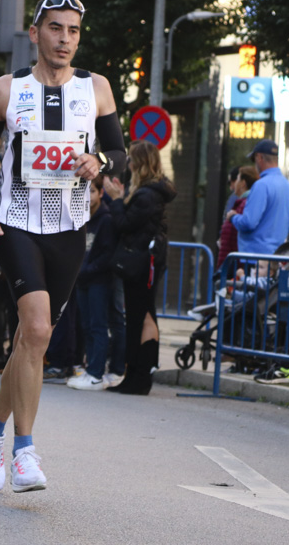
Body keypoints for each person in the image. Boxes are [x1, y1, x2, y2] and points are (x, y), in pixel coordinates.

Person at [0, 0, 126, 493]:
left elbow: (119, 151)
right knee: (34, 326)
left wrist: (100, 163)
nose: (65, 39)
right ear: (35, 34)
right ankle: (24, 451)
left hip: (69, 227)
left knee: (34, 341)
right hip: (16, 224)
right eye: (56, 28)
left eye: (73, 30)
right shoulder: (5, 90)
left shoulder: (96, 88)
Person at [105, 140, 176, 395]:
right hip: (148, 261)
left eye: (132, 160)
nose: (129, 165)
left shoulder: (147, 195)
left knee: (141, 317)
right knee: (142, 316)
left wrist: (115, 199)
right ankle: (136, 374)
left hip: (143, 263)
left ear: (141, 164)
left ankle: (139, 376)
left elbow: (124, 224)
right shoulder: (150, 192)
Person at [67, 175, 119, 390]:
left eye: (92, 191)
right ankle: (90, 371)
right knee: (86, 325)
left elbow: (107, 254)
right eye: (85, 191)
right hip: (82, 279)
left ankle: (97, 373)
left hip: (98, 279)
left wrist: (86, 270)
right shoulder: (81, 215)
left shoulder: (106, 219)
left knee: (98, 326)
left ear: (101, 193)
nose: (88, 196)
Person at [229, 139, 289, 255]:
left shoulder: (261, 185)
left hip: (255, 257)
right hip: (277, 256)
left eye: (254, 160)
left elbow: (248, 223)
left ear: (259, 157)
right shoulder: (288, 186)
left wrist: (233, 217)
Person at [218, 166, 258, 270]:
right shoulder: (239, 202)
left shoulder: (245, 203)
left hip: (235, 264)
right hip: (232, 261)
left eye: (237, 180)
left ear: (243, 183)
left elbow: (241, 228)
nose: (233, 185)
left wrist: (233, 217)